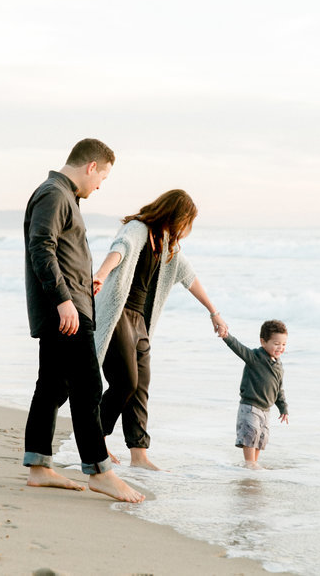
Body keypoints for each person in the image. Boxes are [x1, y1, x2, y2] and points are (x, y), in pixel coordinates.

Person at [22, 138, 144, 503]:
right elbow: (40, 246)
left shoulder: (61, 195)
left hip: (69, 307)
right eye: (103, 177)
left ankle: (39, 467)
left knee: (52, 388)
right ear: (91, 166)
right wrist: (64, 301)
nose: (101, 185)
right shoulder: (54, 194)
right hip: (67, 310)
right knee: (89, 387)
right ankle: (100, 471)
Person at [92, 189, 228, 470]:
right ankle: (96, 438)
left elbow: (189, 277)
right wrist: (101, 275)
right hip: (119, 315)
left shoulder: (167, 245)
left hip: (141, 321)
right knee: (125, 383)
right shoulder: (138, 228)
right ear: (175, 215)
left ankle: (139, 455)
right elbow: (121, 248)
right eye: (186, 221)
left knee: (140, 387)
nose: (186, 229)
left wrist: (213, 312)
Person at [221, 319, 289, 469]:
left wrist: (283, 408)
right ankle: (249, 463)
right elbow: (238, 348)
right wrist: (226, 336)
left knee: (260, 438)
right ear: (263, 342)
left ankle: (253, 465)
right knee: (250, 434)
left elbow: (279, 389)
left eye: (283, 344)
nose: (280, 348)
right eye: (276, 344)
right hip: (250, 406)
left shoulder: (278, 365)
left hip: (266, 410)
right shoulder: (255, 357)